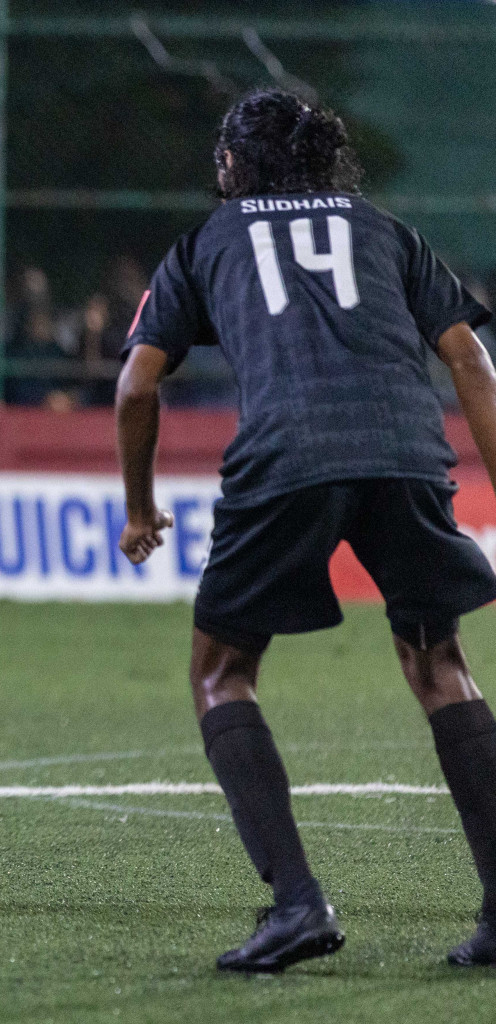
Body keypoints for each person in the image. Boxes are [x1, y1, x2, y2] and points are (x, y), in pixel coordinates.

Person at [117, 89, 496, 972]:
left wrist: (139, 509)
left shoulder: (207, 241)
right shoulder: (384, 230)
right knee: (441, 666)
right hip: (405, 450)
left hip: (288, 455)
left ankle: (297, 904)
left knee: (221, 673)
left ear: (236, 167)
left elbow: (137, 386)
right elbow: (470, 357)